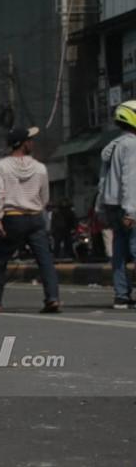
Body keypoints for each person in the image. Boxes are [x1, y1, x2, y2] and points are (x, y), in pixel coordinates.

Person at [0, 126, 60, 313]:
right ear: (24, 144)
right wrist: (36, 208)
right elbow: (45, 198)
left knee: (0, 261)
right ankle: (52, 298)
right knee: (45, 261)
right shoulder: (40, 168)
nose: (32, 143)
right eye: (30, 140)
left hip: (12, 219)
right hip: (35, 218)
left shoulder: (2, 166)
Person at [95, 100, 136, 310]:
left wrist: (100, 208)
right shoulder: (132, 145)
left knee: (119, 252)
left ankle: (121, 295)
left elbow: (103, 180)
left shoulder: (113, 145)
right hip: (130, 206)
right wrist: (131, 211)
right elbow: (131, 180)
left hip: (112, 205)